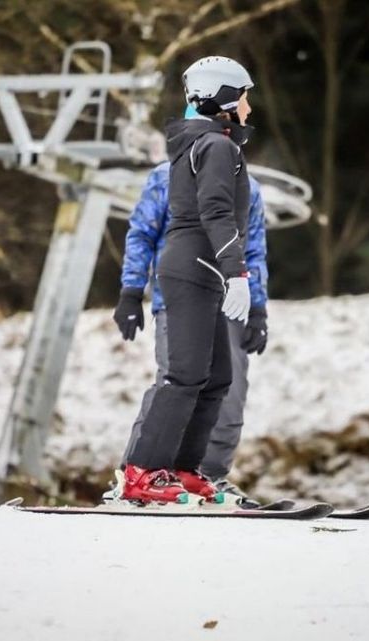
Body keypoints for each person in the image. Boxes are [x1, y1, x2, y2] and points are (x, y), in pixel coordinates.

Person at [118, 56, 256, 504]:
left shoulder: (207, 143)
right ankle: (141, 471)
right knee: (184, 375)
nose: (249, 108)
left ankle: (182, 467)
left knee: (215, 377)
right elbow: (215, 213)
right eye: (244, 97)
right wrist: (237, 273)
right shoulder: (216, 146)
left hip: (202, 267)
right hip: (196, 266)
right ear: (222, 96)